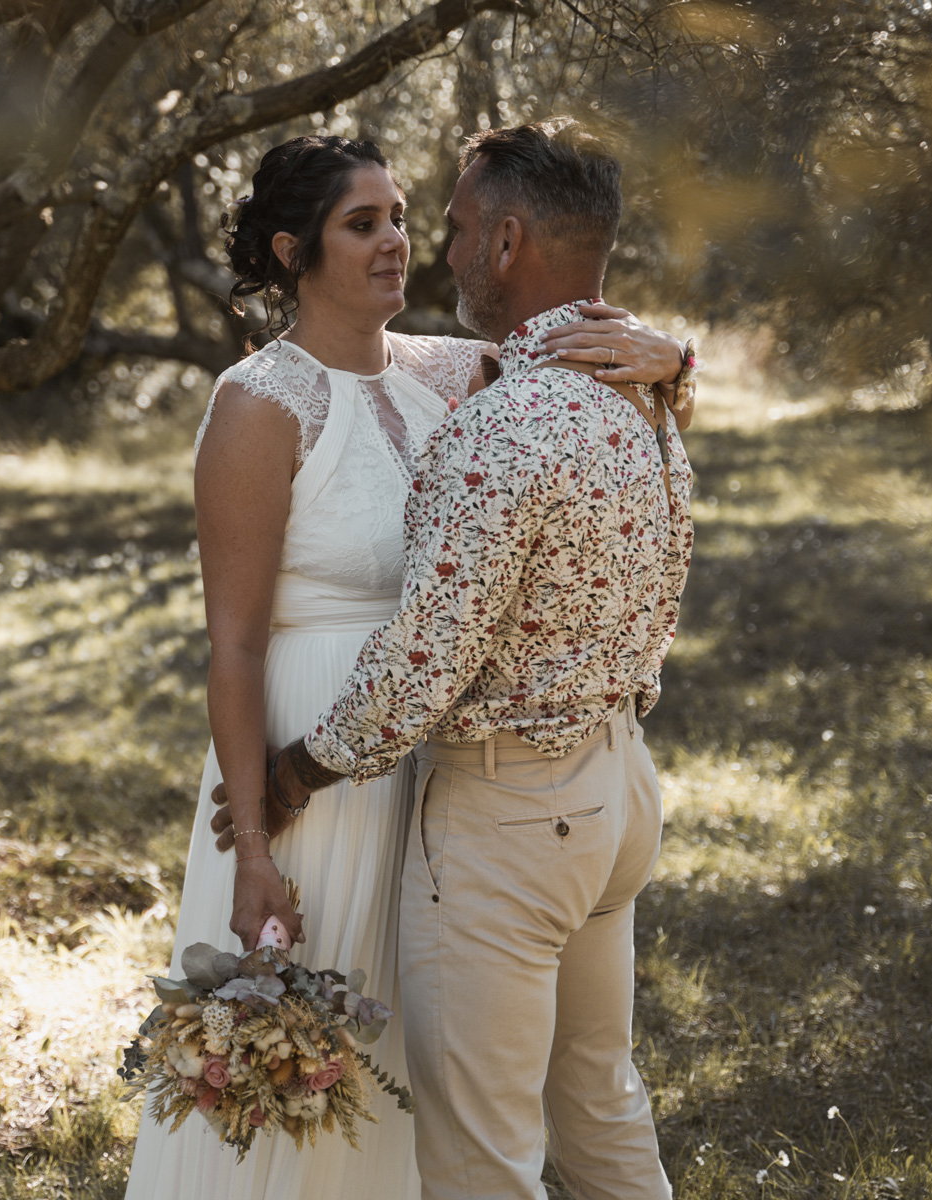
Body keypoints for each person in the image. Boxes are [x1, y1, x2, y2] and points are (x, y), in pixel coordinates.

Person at [123, 132, 691, 1199]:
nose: (396, 244)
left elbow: (568, 350)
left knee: (422, 1065)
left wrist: (673, 354)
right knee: (302, 1054)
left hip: (428, 769)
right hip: (308, 760)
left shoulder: (452, 370)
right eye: (363, 224)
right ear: (294, 251)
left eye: (401, 218)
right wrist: (253, 838)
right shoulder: (257, 403)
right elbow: (234, 643)